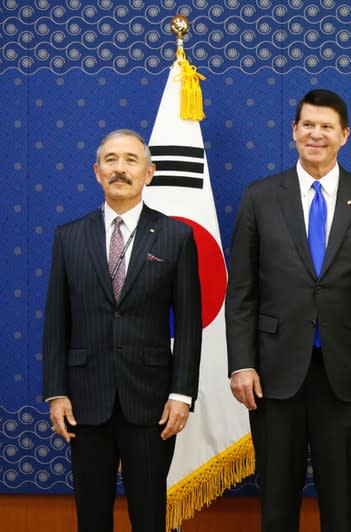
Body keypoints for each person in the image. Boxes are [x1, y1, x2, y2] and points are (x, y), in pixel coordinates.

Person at [225, 89, 351, 532]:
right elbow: (242, 290)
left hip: (348, 377)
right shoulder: (260, 196)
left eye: (327, 127)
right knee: (277, 504)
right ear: (293, 131)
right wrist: (242, 363)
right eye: (308, 125)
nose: (316, 134)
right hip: (273, 375)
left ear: (344, 135)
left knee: (340, 505)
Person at [43, 129, 202, 531]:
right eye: (110, 160)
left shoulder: (176, 236)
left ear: (149, 173)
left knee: (149, 516)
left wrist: (182, 394)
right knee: (91, 516)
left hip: (151, 402)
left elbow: (188, 324)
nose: (120, 168)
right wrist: (56, 391)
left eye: (131, 160)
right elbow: (56, 320)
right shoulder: (69, 237)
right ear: (97, 172)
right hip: (84, 400)